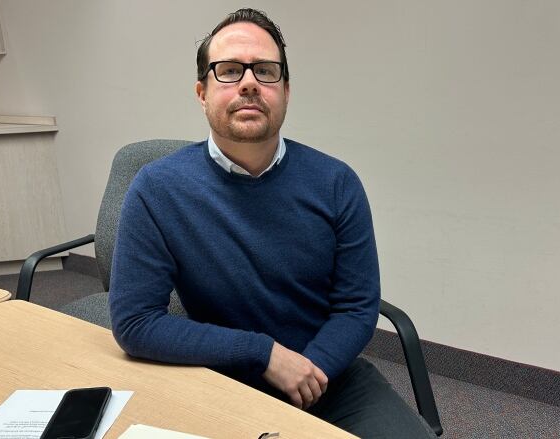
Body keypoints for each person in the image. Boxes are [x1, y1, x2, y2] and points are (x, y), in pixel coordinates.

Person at [109, 8, 433, 438]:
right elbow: (136, 322)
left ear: (285, 91)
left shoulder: (336, 183)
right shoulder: (157, 188)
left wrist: (307, 375)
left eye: (265, 71)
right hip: (221, 374)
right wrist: (263, 354)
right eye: (228, 71)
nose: (248, 83)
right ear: (202, 92)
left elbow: (356, 307)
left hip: (328, 375)